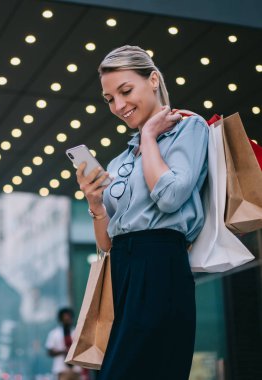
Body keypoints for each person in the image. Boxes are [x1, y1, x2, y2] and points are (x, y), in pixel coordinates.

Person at [75, 45, 209, 380]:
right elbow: (107, 244)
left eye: (125, 91)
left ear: (152, 80)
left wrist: (148, 135)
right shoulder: (119, 162)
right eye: (109, 99)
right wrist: (95, 205)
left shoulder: (189, 128)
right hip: (123, 271)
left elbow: (169, 197)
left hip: (161, 263)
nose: (119, 106)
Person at [46, 307, 82, 380]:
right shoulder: (54, 334)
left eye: (68, 318)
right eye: (65, 318)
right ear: (61, 320)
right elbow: (49, 351)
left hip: (76, 369)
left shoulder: (77, 332)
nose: (67, 320)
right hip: (61, 370)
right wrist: (63, 351)